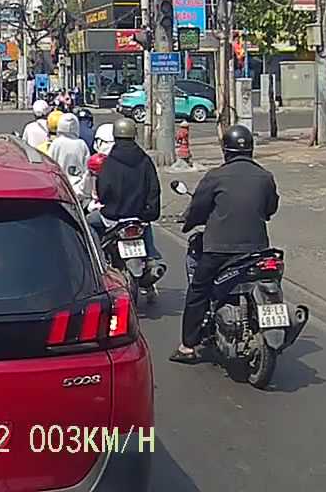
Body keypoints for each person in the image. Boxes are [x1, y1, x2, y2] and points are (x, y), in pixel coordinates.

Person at [170, 125, 280, 364]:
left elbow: (199, 208)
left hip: (219, 249)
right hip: (258, 250)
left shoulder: (215, 176)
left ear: (225, 150)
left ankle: (188, 346)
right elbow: (271, 208)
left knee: (198, 290)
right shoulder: (265, 176)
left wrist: (189, 223)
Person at [87, 118, 165, 268]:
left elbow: (103, 191)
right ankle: (151, 256)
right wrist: (149, 210)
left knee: (89, 223)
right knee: (146, 226)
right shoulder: (145, 160)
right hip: (139, 214)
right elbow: (154, 189)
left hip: (113, 216)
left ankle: (97, 259)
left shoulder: (110, 162)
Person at [49, 113, 90, 201]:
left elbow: (50, 163)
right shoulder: (81, 144)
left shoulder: (56, 143)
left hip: (60, 185)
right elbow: (87, 167)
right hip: (77, 187)